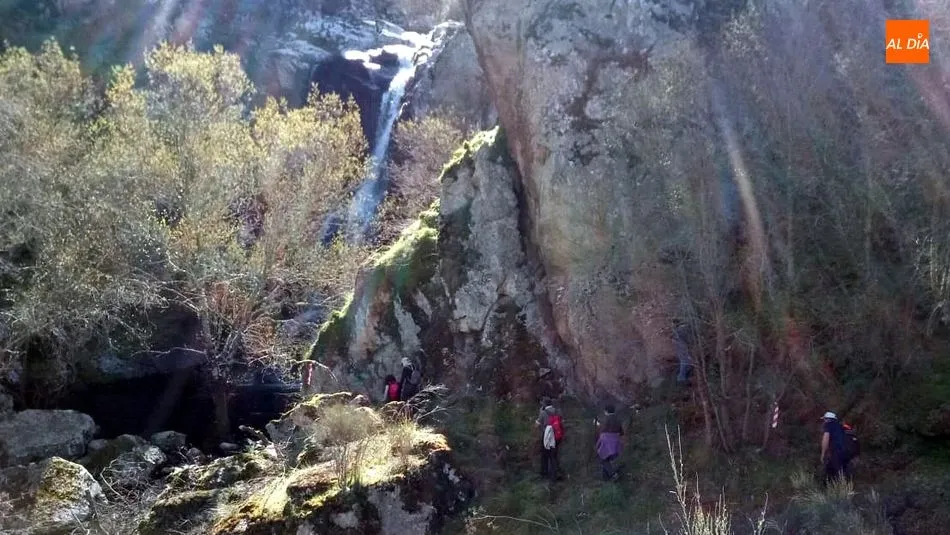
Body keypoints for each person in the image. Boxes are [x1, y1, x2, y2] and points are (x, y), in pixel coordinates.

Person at [820, 411, 852, 486]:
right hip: (847, 452)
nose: (824, 421)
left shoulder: (828, 426)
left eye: (824, 419)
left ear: (828, 419)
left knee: (837, 471)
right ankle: (834, 487)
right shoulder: (841, 426)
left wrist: (823, 454)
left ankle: (839, 490)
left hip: (837, 451)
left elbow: (825, 440)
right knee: (835, 469)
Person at [535, 397, 562, 481]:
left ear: (544, 404)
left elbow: (537, 424)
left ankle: (544, 473)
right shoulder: (557, 411)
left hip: (547, 436)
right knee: (554, 455)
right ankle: (555, 473)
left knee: (545, 455)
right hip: (557, 436)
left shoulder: (543, 413)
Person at [595, 405, 623, 481]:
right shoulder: (618, 419)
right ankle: (606, 478)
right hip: (616, 440)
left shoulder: (605, 419)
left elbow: (601, 430)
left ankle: (613, 474)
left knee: (601, 458)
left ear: (606, 411)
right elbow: (621, 432)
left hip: (606, 440)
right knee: (606, 458)